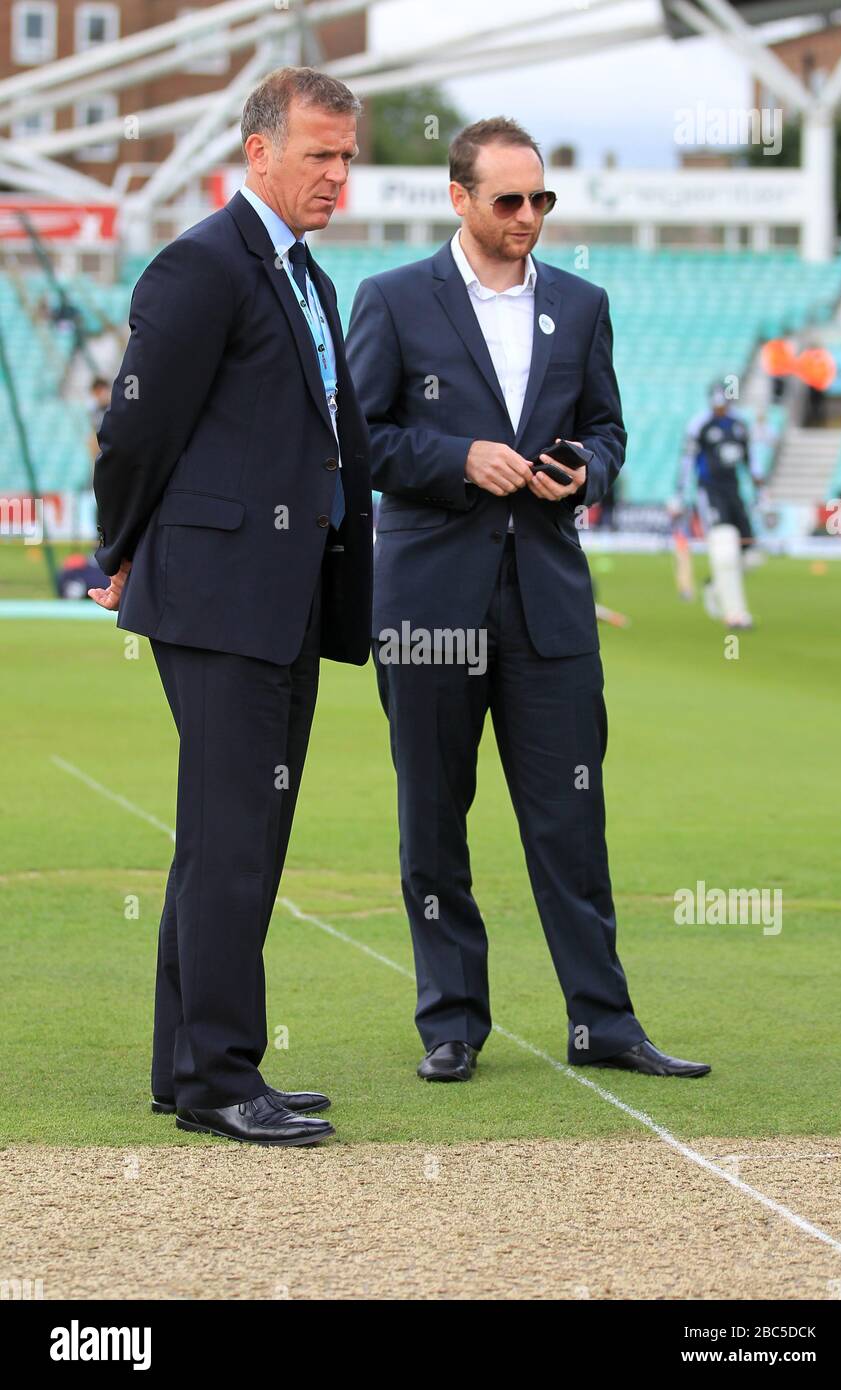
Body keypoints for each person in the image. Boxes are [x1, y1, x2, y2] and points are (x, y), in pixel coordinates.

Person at [346, 117, 710, 1083]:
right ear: (458, 198)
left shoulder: (583, 305)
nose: (527, 215)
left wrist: (588, 469)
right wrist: (458, 457)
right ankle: (452, 1024)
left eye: (540, 198)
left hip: (548, 603)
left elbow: (610, 430)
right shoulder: (393, 300)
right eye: (508, 199)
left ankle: (605, 1022)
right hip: (427, 605)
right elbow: (358, 441)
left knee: (571, 822)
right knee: (434, 816)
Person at [88, 67, 373, 1146]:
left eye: (347, 157)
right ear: (259, 151)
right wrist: (118, 548)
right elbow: (135, 429)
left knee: (233, 834)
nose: (336, 175)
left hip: (286, 595)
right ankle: (218, 1077)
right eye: (318, 154)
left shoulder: (308, 277)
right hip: (219, 597)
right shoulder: (201, 264)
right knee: (233, 839)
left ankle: (189, 1064)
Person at [672, 383, 762, 629]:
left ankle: (714, 585)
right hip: (710, 493)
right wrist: (680, 494)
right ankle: (735, 614)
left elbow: (751, 459)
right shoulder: (700, 425)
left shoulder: (740, 425)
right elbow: (687, 460)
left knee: (751, 556)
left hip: (734, 493)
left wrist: (759, 489)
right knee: (725, 553)